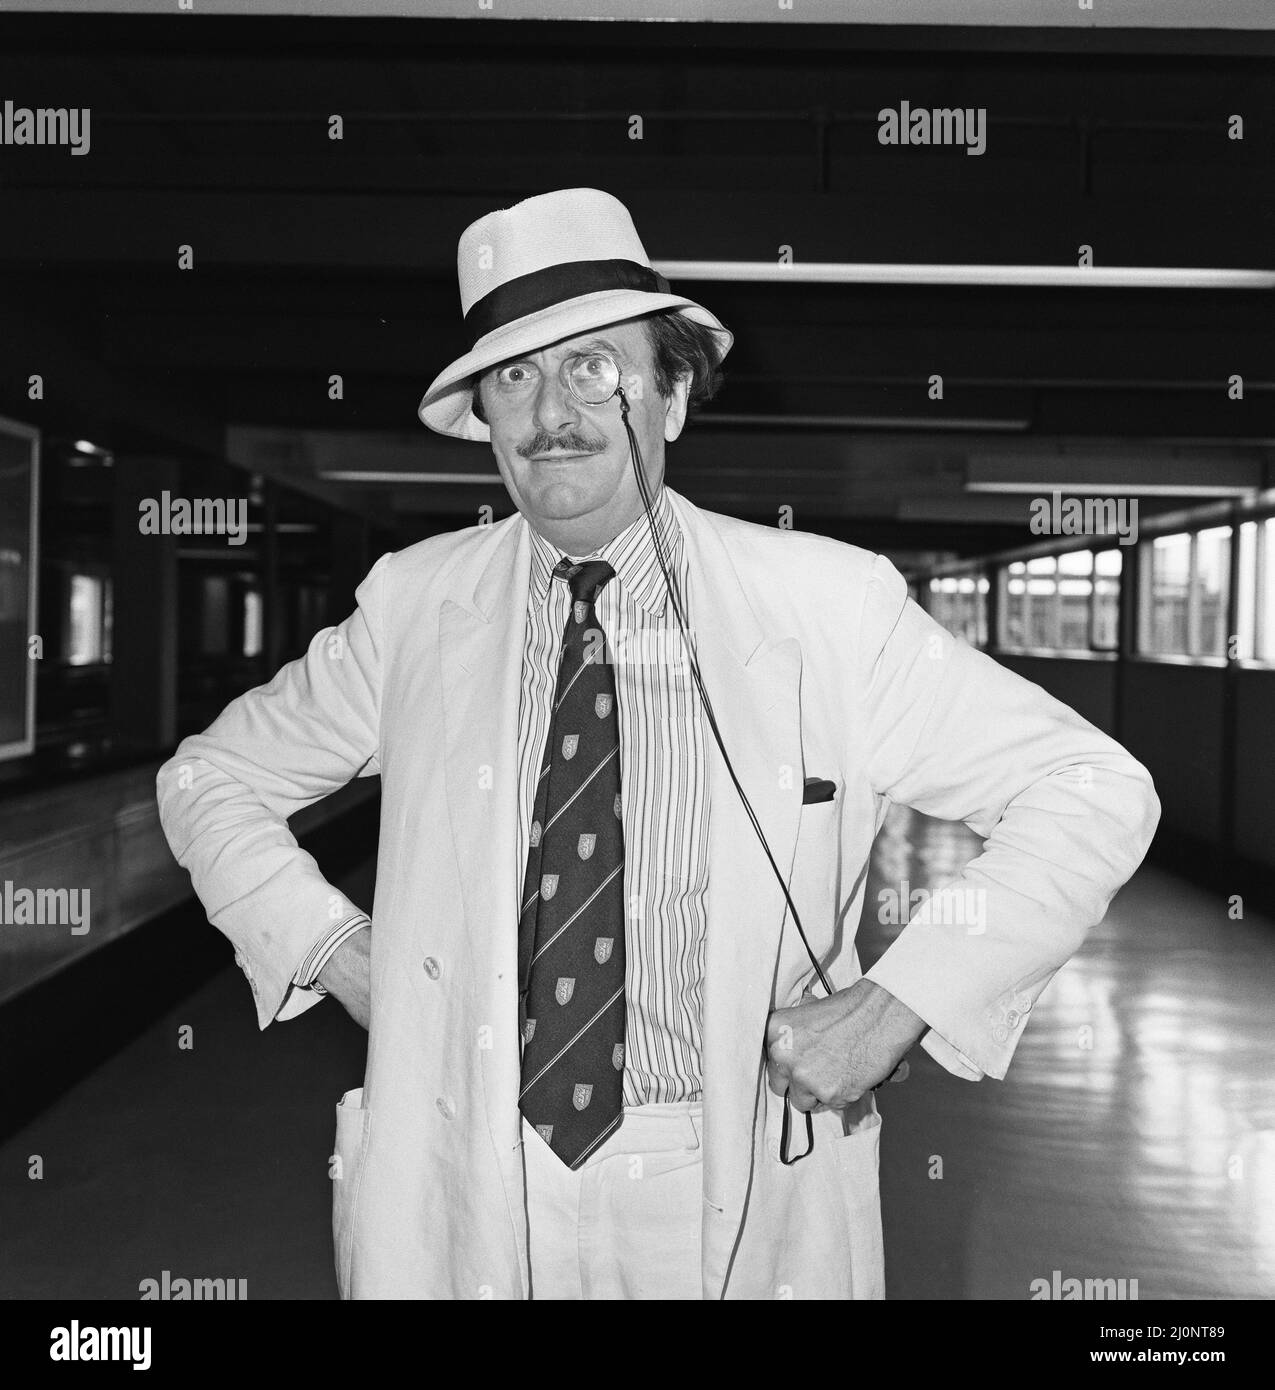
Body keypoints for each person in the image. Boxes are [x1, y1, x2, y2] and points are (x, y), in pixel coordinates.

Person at [156, 187, 1160, 1301]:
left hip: (717, 1174)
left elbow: (1089, 787)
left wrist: (894, 1006)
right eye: (516, 376)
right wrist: (338, 949)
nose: (553, 412)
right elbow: (212, 777)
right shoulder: (413, 605)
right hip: (468, 1173)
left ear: (671, 393)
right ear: (484, 413)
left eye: (594, 365)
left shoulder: (827, 605)